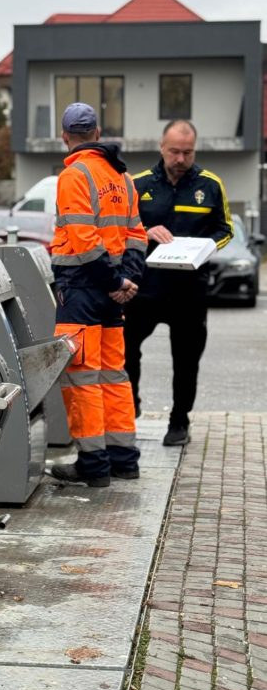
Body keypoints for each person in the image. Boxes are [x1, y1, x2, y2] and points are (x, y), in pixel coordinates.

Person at [48, 102, 148, 488]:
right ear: (98, 132)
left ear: (65, 137)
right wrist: (127, 281)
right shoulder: (122, 178)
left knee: (82, 378)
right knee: (113, 376)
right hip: (112, 291)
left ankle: (93, 464)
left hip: (82, 289)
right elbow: (137, 235)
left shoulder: (74, 174)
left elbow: (83, 240)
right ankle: (124, 459)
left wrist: (111, 282)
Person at [124, 120, 233, 447]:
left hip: (189, 290)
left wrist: (204, 248)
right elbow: (120, 229)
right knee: (125, 351)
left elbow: (225, 230)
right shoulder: (138, 184)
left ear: (194, 150)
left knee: (186, 361)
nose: (181, 158)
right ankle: (132, 403)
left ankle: (179, 422)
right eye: (174, 151)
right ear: (161, 147)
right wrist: (145, 231)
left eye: (187, 152)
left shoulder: (211, 185)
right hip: (144, 288)